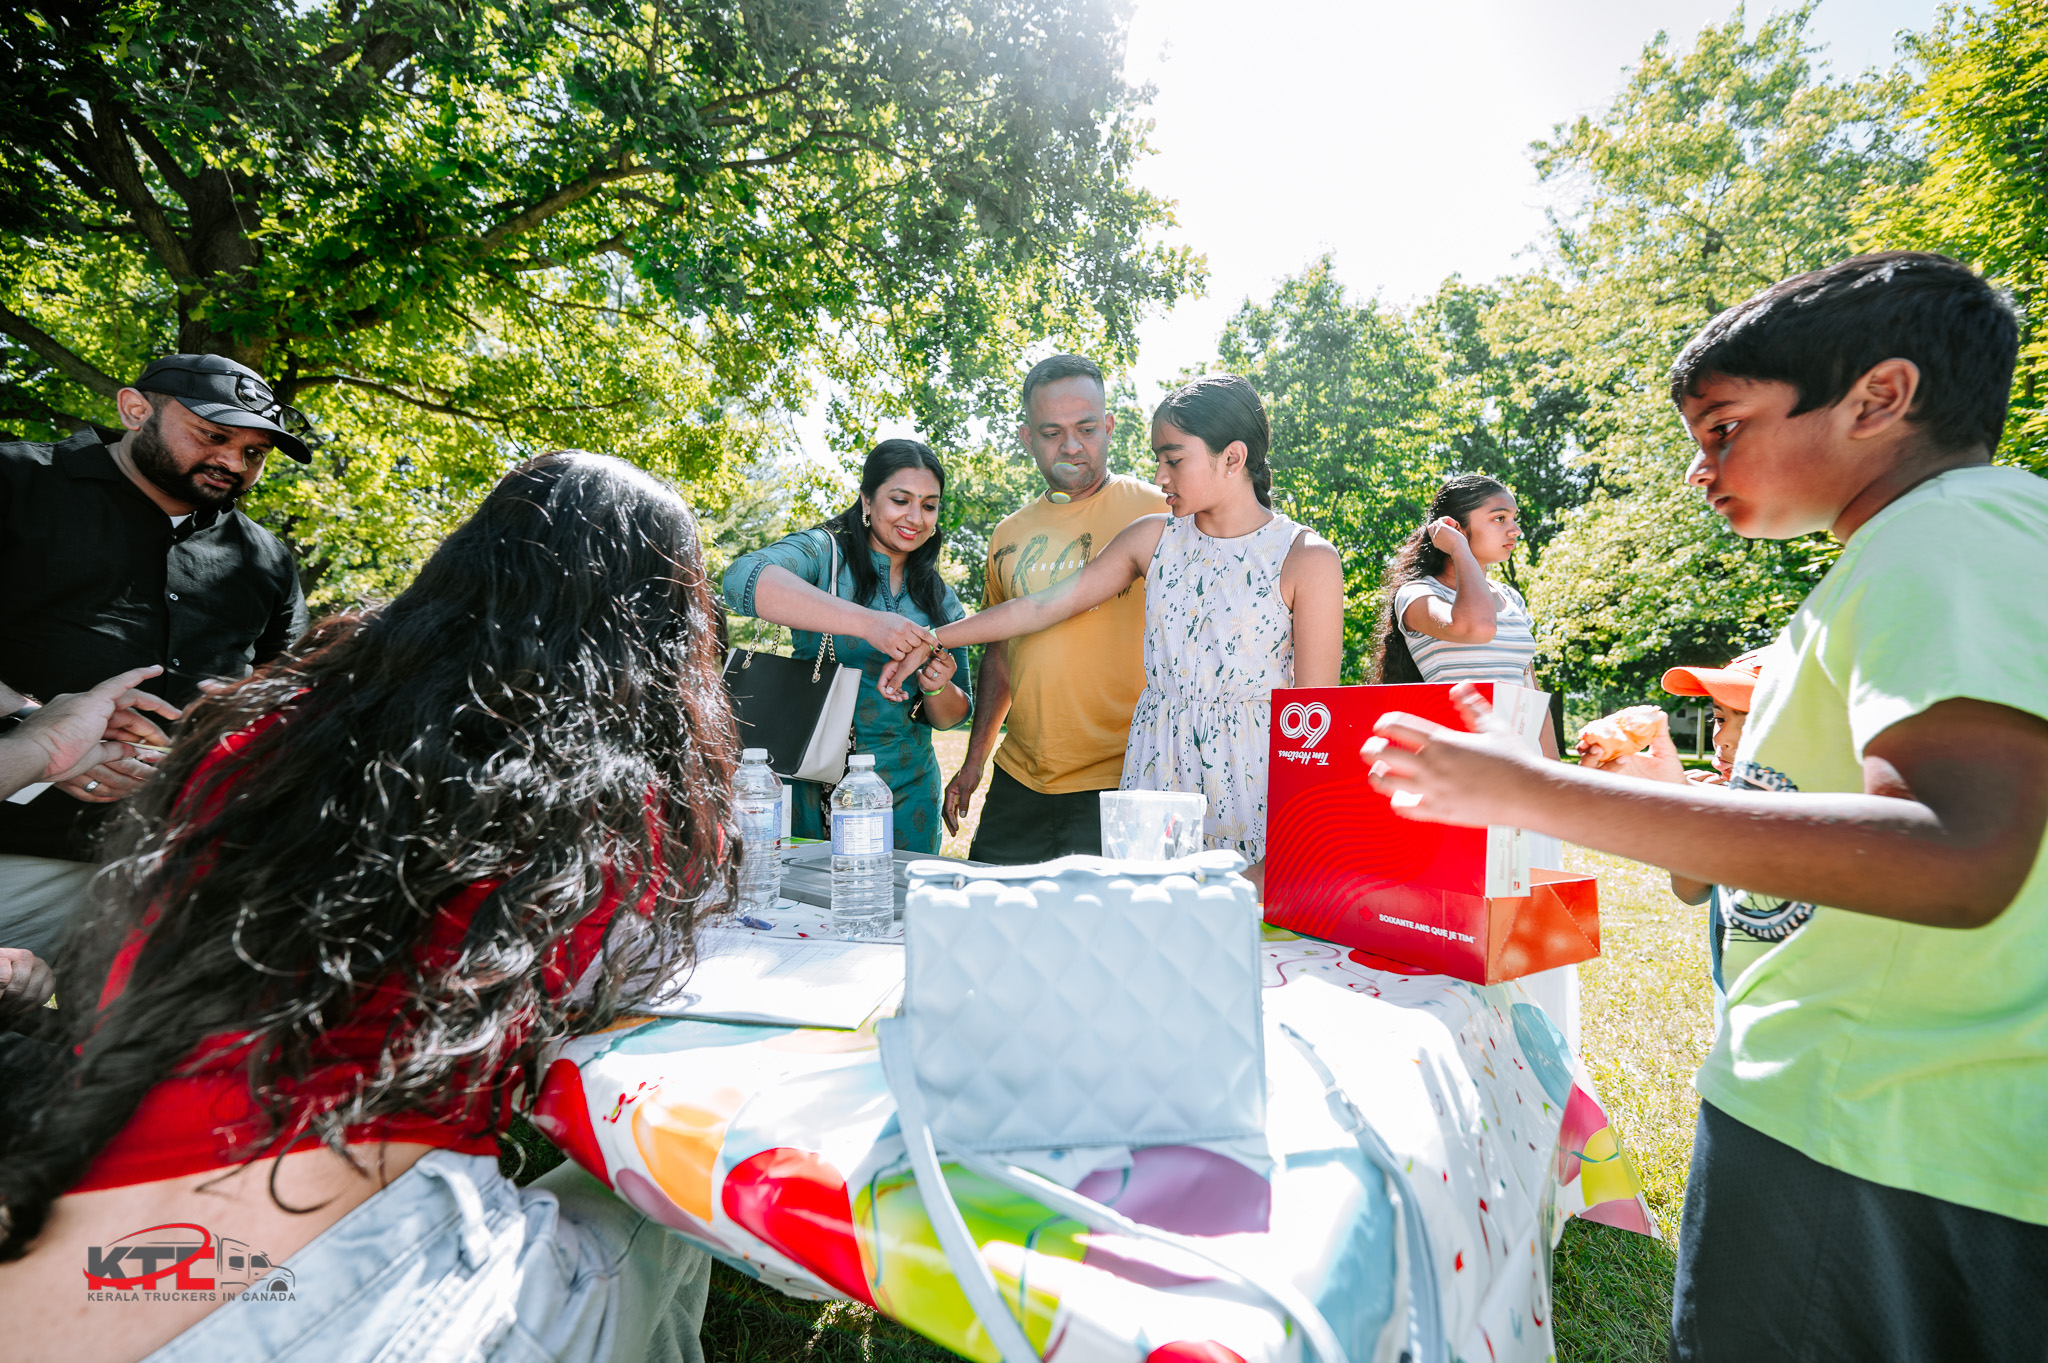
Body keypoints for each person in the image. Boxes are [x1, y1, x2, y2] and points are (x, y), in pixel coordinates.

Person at [1361, 252, 2048, 1360]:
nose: (1697, 468)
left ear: (1879, 397)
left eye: (1723, 428)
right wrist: (1667, 794)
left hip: (1878, 1137)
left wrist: (1530, 787)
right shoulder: (1893, 555)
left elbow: (1958, 849)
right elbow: (1764, 863)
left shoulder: (1953, 531)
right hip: (1844, 1122)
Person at [0, 452, 727, 1362]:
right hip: (340, 1259)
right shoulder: (597, 795)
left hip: (99, 1193)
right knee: (664, 1198)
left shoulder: (263, 724)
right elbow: (610, 997)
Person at [885, 374, 1343, 888]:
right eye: (1157, 459)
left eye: (1173, 459)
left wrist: (1284, 856)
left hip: (1252, 783)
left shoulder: (1307, 559)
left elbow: (1316, 730)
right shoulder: (1152, 538)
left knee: (1245, 931)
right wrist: (933, 638)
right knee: (1137, 925)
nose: (1160, 475)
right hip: (1157, 779)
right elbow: (1039, 608)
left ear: (1232, 458)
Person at [0, 354, 310, 959]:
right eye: (213, 436)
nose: (233, 463)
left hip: (174, 872)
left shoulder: (267, 560)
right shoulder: (15, 481)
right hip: (12, 848)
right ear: (135, 409)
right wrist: (34, 729)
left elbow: (287, 698)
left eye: (254, 453)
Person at [942, 354, 1167, 863]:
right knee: (987, 910)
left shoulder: (1161, 511)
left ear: (1109, 426)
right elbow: (1000, 656)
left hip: (1124, 779)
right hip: (1020, 778)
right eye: (1051, 432)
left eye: (1086, 428)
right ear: (1027, 438)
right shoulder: (1008, 533)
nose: (1071, 446)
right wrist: (974, 761)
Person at [723, 439, 971, 852]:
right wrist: (869, 624)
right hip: (812, 776)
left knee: (897, 893)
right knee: (809, 890)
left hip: (908, 790)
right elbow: (740, 579)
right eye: (900, 500)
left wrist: (936, 686)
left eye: (929, 505)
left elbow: (953, 718)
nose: (915, 518)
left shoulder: (940, 597)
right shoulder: (825, 555)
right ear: (867, 500)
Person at [1577, 651, 1767, 995]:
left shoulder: (1837, 803)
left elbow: (1778, 823)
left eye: (1754, 722)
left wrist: (1692, 796)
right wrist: (1682, 811)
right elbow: (1691, 891)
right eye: (1720, 718)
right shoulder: (1719, 796)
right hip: (1732, 992)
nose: (1722, 738)